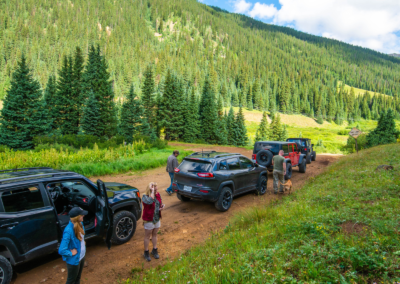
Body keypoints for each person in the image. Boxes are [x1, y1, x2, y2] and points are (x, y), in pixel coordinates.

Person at [58, 207, 88, 284]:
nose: (83, 216)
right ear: (77, 217)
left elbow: (80, 236)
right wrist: (70, 253)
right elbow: (61, 250)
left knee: (78, 278)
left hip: (81, 256)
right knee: (71, 281)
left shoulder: (80, 223)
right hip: (74, 260)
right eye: (82, 215)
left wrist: (82, 241)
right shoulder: (68, 230)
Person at [142, 182, 165, 261]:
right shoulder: (145, 196)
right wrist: (152, 192)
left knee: (155, 234)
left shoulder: (158, 195)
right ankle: (146, 252)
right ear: (150, 190)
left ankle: (154, 250)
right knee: (147, 236)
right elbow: (149, 202)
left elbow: (160, 202)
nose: (156, 192)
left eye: (156, 190)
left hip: (156, 218)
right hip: (149, 219)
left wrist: (161, 207)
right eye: (154, 190)